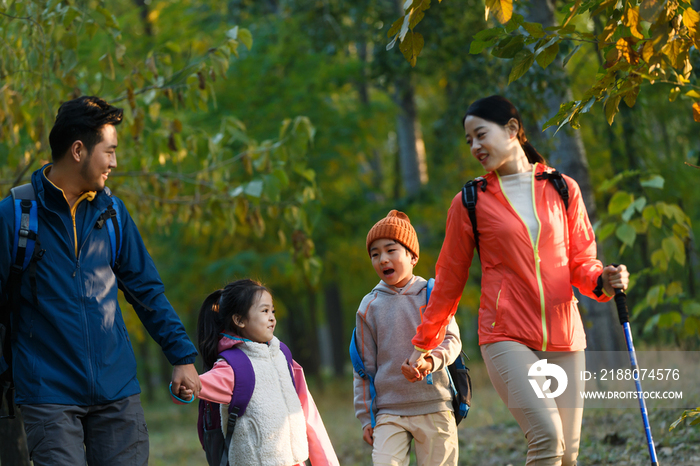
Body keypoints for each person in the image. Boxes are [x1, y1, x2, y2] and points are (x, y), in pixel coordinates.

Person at [406, 95, 629, 466]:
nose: (475, 147)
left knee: (568, 456)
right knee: (547, 437)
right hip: (505, 335)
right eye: (469, 141)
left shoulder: (562, 188)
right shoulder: (470, 201)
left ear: (512, 130)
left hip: (564, 335)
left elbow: (581, 263)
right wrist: (424, 342)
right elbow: (449, 280)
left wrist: (602, 279)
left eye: (481, 135)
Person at [0, 96, 201, 465]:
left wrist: (182, 354)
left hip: (117, 393)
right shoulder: (15, 216)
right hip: (48, 395)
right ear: (78, 150)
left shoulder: (113, 213)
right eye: (109, 152)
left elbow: (146, 291)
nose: (114, 162)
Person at [174, 279, 339, 466]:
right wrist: (182, 389)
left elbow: (308, 412)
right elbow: (193, 384)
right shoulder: (232, 366)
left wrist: (324, 461)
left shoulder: (282, 356)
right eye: (264, 311)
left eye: (272, 311)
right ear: (239, 320)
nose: (272, 317)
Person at [353, 210, 462, 466]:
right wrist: (366, 417)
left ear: (413, 256)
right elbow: (363, 369)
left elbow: (452, 341)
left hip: (435, 404)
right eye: (375, 254)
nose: (383, 259)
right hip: (390, 412)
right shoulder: (369, 306)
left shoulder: (433, 295)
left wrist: (431, 361)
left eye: (391, 250)